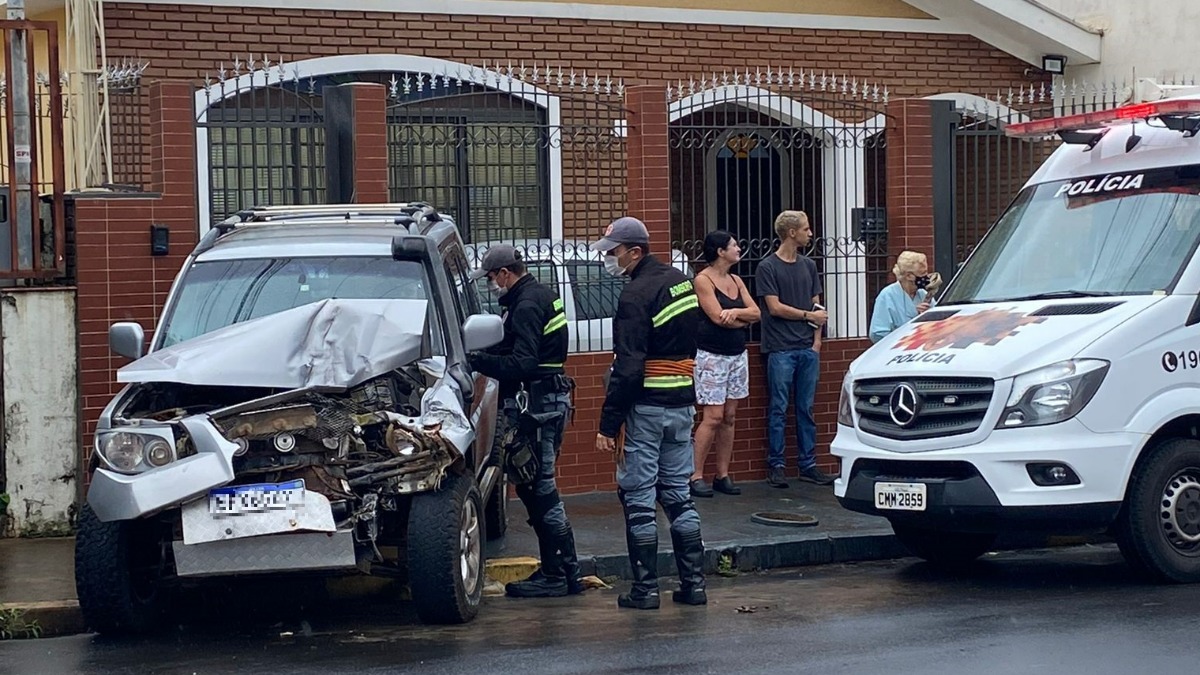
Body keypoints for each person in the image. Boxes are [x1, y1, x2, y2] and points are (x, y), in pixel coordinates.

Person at [591, 216, 707, 610]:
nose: (608, 259)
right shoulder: (680, 281)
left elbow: (628, 366)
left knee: (639, 496)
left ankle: (645, 590)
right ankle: (694, 586)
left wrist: (608, 424)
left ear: (635, 251)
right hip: (681, 406)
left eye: (613, 252)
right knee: (678, 494)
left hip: (647, 408)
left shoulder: (636, 294)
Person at [467, 243, 584, 598]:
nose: (491, 284)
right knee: (533, 486)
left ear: (505, 273)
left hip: (539, 406)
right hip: (546, 401)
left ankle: (562, 574)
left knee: (541, 489)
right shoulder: (537, 296)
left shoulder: (528, 304)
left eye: (491, 277)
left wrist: (476, 361)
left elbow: (522, 363)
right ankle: (560, 571)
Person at [755, 210, 836, 489]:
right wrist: (808, 318)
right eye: (806, 229)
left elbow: (818, 306)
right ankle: (776, 465)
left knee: (806, 408)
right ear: (791, 233)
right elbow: (774, 307)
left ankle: (808, 464)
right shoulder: (767, 267)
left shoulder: (809, 266)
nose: (810, 234)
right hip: (780, 348)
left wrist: (817, 341)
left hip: (806, 347)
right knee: (778, 408)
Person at [688, 230, 760, 498]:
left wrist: (737, 313)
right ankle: (695, 474)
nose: (738, 249)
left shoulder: (737, 280)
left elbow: (756, 313)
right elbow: (717, 317)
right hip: (712, 355)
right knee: (713, 416)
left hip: (737, 354)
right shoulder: (703, 280)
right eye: (733, 245)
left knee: (730, 417)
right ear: (720, 251)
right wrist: (739, 318)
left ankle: (723, 474)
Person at [869, 250, 942, 343]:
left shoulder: (923, 294)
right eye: (922, 273)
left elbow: (938, 325)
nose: (926, 277)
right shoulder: (887, 296)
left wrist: (928, 316)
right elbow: (877, 333)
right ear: (909, 276)